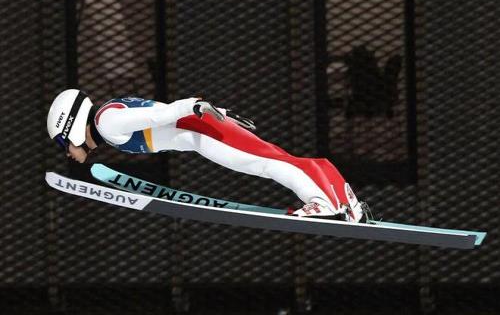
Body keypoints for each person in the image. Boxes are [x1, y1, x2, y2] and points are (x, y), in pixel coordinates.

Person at [46, 89, 364, 221]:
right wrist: (219, 112)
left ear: (71, 127)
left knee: (270, 164)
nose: (68, 153)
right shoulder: (110, 114)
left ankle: (324, 204)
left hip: (203, 133)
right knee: (277, 158)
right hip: (205, 127)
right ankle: (346, 202)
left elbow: (159, 115)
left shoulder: (107, 122)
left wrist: (196, 107)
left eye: (63, 143)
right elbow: (160, 112)